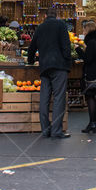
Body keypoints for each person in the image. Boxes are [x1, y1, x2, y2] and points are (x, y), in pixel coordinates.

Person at [27, 8, 72, 138]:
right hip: (59, 66)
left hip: (44, 66)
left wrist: (31, 61)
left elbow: (32, 47)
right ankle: (57, 131)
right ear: (56, 15)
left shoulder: (40, 27)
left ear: (45, 16)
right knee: (58, 98)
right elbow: (66, 45)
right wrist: (68, 62)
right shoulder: (61, 25)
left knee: (44, 98)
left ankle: (45, 130)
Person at [77, 20, 96, 133]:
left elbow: (87, 59)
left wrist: (78, 49)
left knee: (90, 97)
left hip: (91, 73)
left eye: (84, 30)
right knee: (92, 97)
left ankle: (93, 123)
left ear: (88, 29)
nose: (83, 32)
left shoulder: (91, 42)